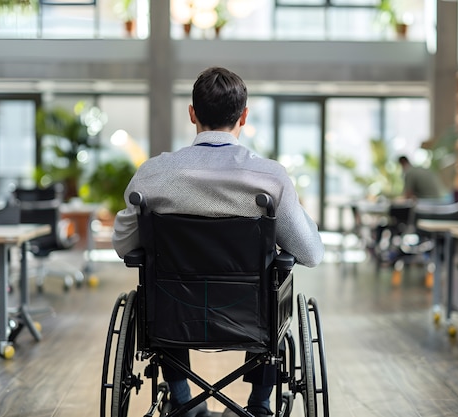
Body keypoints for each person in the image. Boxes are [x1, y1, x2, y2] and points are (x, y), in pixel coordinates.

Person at [112, 66, 324, 417]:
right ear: (244, 116)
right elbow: (311, 254)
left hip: (173, 314)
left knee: (160, 284)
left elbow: (123, 245)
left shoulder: (152, 175)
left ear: (192, 113)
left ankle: (182, 401)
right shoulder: (269, 179)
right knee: (275, 277)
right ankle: (258, 405)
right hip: (251, 314)